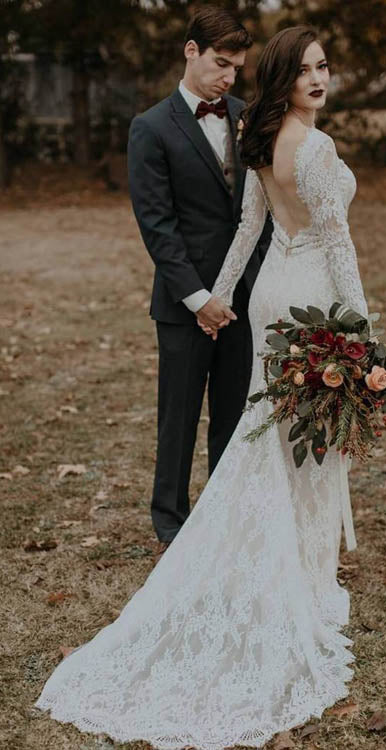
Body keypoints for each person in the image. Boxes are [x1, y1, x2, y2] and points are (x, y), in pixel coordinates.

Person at [34, 26, 369, 750]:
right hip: (295, 291)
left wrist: (229, 296)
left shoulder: (256, 131)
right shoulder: (306, 146)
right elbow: (334, 241)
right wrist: (364, 334)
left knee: (267, 427)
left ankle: (295, 558)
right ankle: (288, 568)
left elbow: (249, 226)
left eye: (325, 67)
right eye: (307, 68)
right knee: (284, 430)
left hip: (266, 293)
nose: (320, 77)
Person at [127, 5, 271, 551]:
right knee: (179, 418)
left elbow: (259, 211)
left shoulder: (248, 115)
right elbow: (157, 226)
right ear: (190, 51)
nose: (228, 76)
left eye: (236, 66)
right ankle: (170, 521)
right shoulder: (151, 127)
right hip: (184, 303)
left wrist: (240, 290)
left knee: (233, 417)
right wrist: (198, 298)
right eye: (219, 63)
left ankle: (224, 516)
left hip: (243, 297)